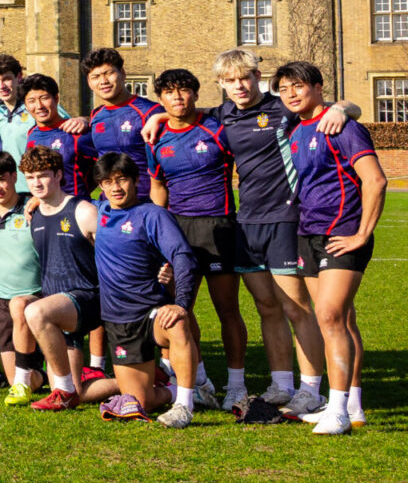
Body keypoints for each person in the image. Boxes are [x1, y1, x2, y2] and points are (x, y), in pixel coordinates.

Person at [142, 47, 354, 415]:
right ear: (221, 85)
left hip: (286, 217)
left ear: (258, 77)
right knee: (266, 306)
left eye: (245, 77)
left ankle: (310, 389)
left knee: (295, 307)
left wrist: (342, 108)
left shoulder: (283, 107)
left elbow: (339, 108)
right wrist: (160, 114)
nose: (239, 86)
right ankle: (281, 384)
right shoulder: (223, 115)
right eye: (230, 80)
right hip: (247, 222)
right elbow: (188, 114)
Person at [278, 60, 385, 434]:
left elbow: (375, 181)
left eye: (299, 86)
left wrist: (361, 235)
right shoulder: (295, 129)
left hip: (342, 233)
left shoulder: (343, 127)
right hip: (308, 234)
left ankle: (337, 411)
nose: (291, 94)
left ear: (319, 87)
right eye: (285, 88)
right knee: (338, 321)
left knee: (328, 315)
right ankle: (349, 405)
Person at [144, 68, 246, 410]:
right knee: (179, 308)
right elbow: (158, 186)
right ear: (161, 99)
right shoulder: (156, 137)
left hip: (218, 227)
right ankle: (200, 380)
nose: (177, 98)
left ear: (196, 93)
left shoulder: (217, 128)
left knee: (227, 309)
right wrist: (159, 230)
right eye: (170, 93)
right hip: (176, 232)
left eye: (184, 90)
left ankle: (236, 385)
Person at [84, 154, 203, 429]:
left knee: (177, 321)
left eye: (122, 179)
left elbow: (183, 256)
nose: (115, 187)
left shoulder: (152, 215)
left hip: (151, 312)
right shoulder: (97, 212)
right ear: (100, 186)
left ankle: (185, 404)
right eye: (107, 182)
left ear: (137, 181)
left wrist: (181, 303)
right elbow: (60, 200)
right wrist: (33, 200)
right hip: (119, 320)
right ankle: (173, 390)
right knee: (141, 402)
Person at [21, 145, 103, 411]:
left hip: (87, 299)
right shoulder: (34, 214)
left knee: (34, 312)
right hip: (57, 306)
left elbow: (113, 255)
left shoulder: (83, 211)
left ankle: (63, 390)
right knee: (80, 391)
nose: (36, 182)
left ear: (58, 175)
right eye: (31, 177)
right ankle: (148, 382)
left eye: (43, 175)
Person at [0, 150, 44, 404]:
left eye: (1, 179)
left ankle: (48, 375)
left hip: (34, 296)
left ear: (15, 177)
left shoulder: (34, 207)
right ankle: (39, 377)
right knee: (15, 380)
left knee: (25, 380)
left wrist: (38, 199)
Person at [83, 48, 160, 198]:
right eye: (96, 76)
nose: (103, 81)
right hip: (110, 204)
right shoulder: (96, 115)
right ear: (89, 82)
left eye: (109, 73)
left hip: (144, 201)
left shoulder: (150, 112)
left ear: (122, 74)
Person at [22, 74, 100, 198]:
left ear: (56, 99)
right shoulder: (31, 134)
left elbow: (104, 167)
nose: (39, 106)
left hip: (76, 210)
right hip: (45, 210)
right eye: (31, 101)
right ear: (25, 106)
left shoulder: (76, 132)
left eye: (44, 98)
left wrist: (81, 192)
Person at [0, 54, 37, 192]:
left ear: (19, 77)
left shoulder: (37, 106)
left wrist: (81, 121)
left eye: (6, 79)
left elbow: (66, 126)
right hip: (7, 192)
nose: (1, 86)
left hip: (37, 190)